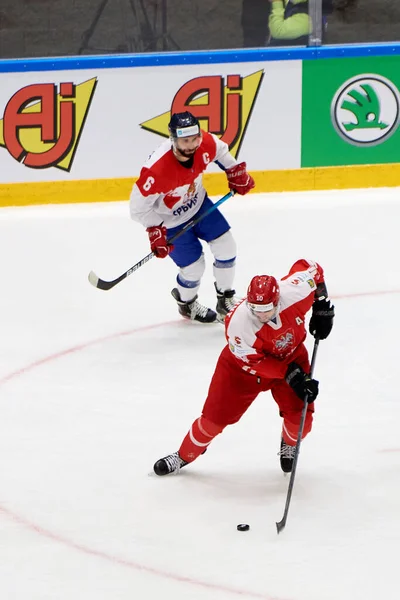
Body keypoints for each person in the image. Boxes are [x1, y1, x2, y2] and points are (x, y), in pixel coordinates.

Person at [153, 258, 335, 476]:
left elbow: (313, 269)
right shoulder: (239, 324)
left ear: (277, 300)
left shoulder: (294, 290)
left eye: (266, 309)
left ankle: (289, 443)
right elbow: (254, 362)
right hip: (241, 371)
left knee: (301, 421)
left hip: (291, 359)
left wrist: (321, 304)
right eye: (255, 309)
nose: (260, 315)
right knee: (212, 422)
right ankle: (183, 455)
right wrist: (290, 375)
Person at [129, 111, 255, 323]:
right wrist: (155, 230)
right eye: (185, 141)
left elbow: (221, 150)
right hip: (170, 222)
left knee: (227, 245)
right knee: (194, 268)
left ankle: (225, 299)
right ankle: (186, 304)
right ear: (173, 139)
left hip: (199, 205)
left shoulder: (203, 142)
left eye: (194, 139)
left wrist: (234, 171)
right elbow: (137, 210)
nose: (191, 145)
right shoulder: (156, 171)